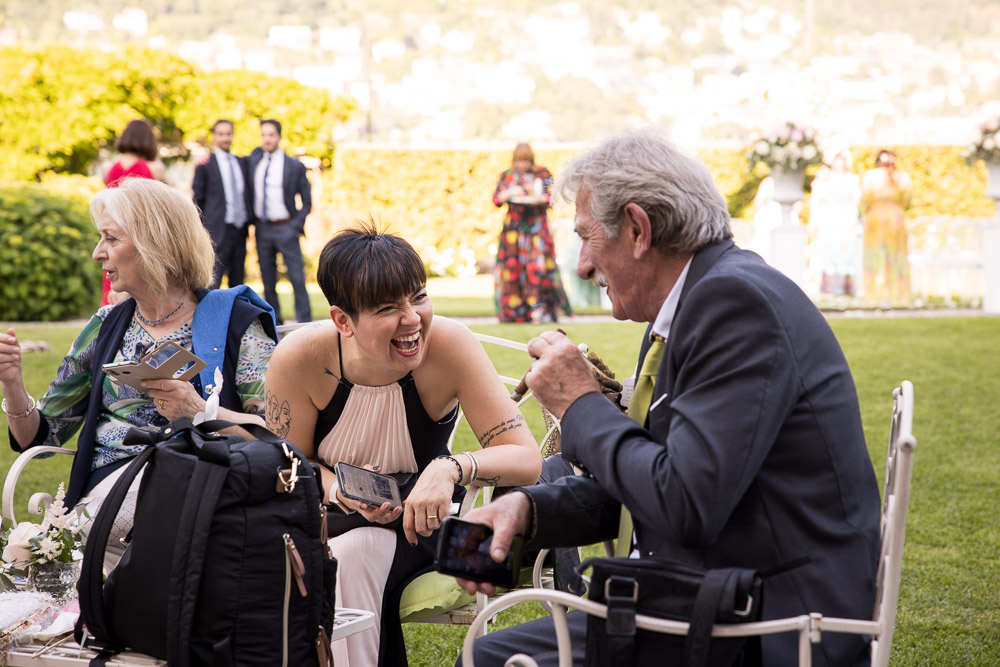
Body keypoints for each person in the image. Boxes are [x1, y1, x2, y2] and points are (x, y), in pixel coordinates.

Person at [457, 129, 881, 667]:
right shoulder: (693, 303)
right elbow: (649, 478)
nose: (583, 265)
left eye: (587, 237)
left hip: (772, 625)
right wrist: (525, 508)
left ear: (637, 229)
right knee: (495, 653)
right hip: (708, 595)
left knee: (489, 659)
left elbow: (684, 503)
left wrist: (581, 402)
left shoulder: (734, 304)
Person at [264, 224, 542, 667]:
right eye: (388, 308)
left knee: (349, 558)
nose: (412, 319)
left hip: (423, 526)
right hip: (326, 521)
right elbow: (284, 464)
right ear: (342, 320)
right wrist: (343, 492)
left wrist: (449, 468)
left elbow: (527, 459)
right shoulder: (302, 357)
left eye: (419, 296)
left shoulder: (449, 346)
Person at [1, 178, 277, 567]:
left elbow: (274, 434)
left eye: (111, 239)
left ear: (155, 243)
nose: (98, 253)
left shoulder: (235, 323)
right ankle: (60, 545)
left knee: (32, 557)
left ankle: (57, 543)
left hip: (200, 488)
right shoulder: (106, 325)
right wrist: (13, 383)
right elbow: (42, 435)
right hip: (110, 491)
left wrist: (199, 409)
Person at [492, 143, 572, 323]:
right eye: (520, 161)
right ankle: (516, 311)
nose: (523, 165)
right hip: (513, 231)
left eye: (526, 161)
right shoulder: (507, 176)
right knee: (513, 269)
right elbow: (496, 199)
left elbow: (552, 198)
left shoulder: (542, 174)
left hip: (536, 228)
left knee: (538, 267)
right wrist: (511, 192)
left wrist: (536, 198)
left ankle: (539, 309)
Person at [249, 119, 312, 325]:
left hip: (286, 227)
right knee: (268, 281)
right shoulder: (254, 160)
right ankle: (275, 326)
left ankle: (305, 324)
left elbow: (307, 201)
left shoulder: (294, 166)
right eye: (263, 135)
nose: (266, 139)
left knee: (297, 279)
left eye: (271, 135)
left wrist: (295, 225)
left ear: (279, 137)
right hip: (262, 228)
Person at [101, 118, 168, 305]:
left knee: (111, 276)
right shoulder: (156, 169)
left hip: (113, 235)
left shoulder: (107, 168)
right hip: (141, 236)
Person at [192, 119, 253, 289]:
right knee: (213, 280)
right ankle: (212, 315)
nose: (225, 138)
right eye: (221, 134)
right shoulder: (205, 165)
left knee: (238, 281)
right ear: (214, 136)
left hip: (240, 230)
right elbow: (198, 199)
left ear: (232, 135)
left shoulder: (242, 163)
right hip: (217, 229)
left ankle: (235, 315)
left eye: (228, 134)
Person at [861, 149, 912, 306]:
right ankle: (897, 295)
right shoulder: (903, 177)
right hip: (893, 219)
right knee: (893, 257)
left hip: (877, 220)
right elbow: (907, 201)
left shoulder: (870, 176)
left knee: (877, 256)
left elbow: (864, 202)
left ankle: (875, 295)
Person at [809, 151, 862, 295]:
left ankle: (846, 287)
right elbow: (816, 201)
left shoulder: (851, 179)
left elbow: (857, 200)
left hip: (846, 220)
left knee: (846, 252)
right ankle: (828, 287)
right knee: (828, 252)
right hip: (829, 220)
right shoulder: (824, 179)